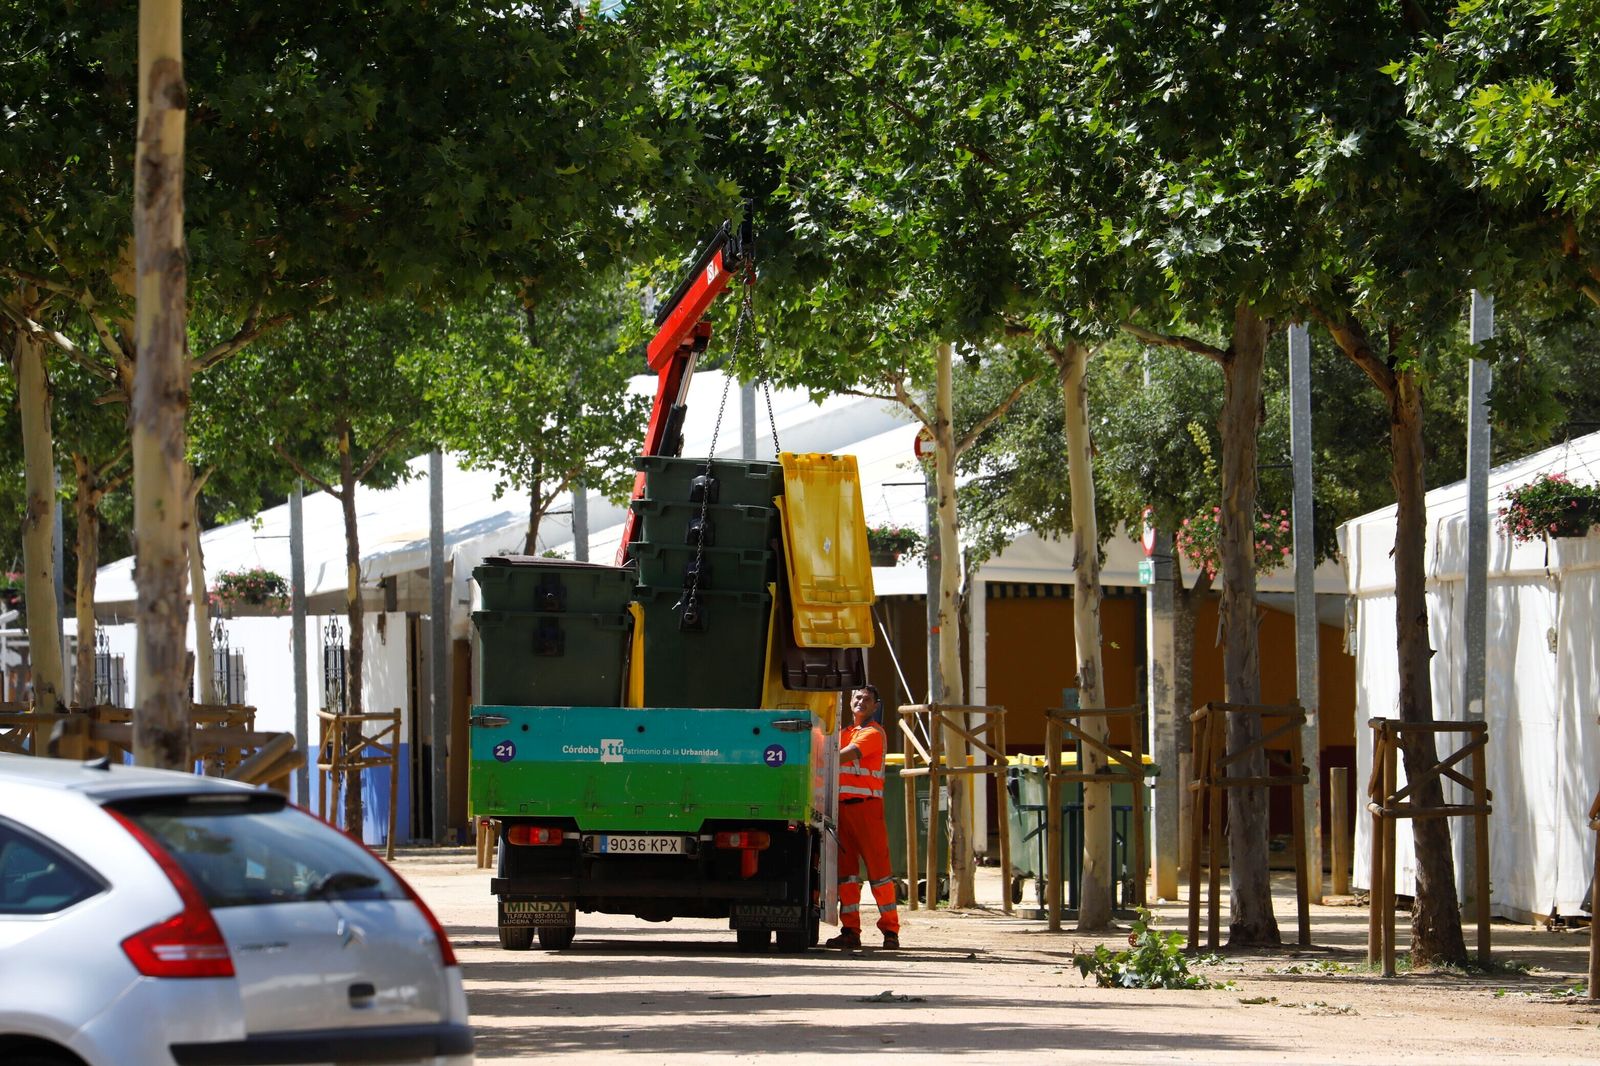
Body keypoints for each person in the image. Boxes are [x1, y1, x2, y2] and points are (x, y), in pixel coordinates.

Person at [826, 684, 901, 950]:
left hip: (867, 809)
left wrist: (817, 753)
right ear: (849, 702)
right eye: (857, 697)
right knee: (846, 876)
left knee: (879, 874)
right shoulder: (844, 733)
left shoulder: (873, 733)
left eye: (867, 699)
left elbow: (844, 756)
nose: (861, 702)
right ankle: (850, 931)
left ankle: (890, 931)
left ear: (875, 706)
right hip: (841, 811)